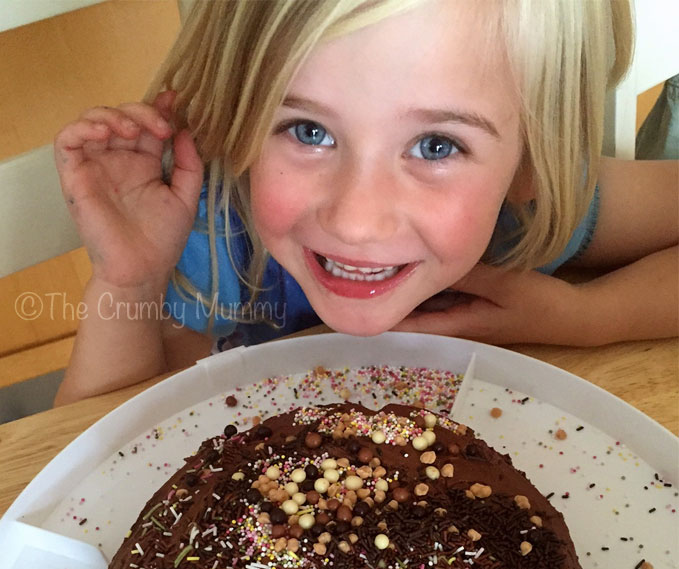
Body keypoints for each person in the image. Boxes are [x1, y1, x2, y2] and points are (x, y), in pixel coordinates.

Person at [53, 0, 678, 406]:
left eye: (436, 145)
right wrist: (130, 281)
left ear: (531, 163)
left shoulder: (524, 218)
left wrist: (589, 316)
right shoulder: (214, 239)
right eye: (308, 131)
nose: (356, 220)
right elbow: (100, 451)